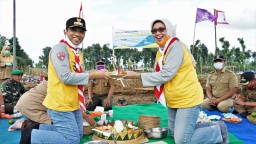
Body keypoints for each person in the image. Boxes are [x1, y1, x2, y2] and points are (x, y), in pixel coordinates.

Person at [124, 19, 228, 144]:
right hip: (174, 99)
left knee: (182, 140)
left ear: (169, 30)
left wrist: (138, 76)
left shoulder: (175, 46)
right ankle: (215, 126)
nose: (158, 33)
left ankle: (217, 131)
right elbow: (157, 73)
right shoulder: (161, 51)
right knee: (174, 134)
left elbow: (166, 74)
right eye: (154, 30)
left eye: (161, 29)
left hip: (187, 98)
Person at [19, 17, 109, 144]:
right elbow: (65, 77)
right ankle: (31, 135)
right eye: (73, 30)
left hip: (72, 103)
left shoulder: (76, 53)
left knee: (79, 133)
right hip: (60, 104)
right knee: (72, 140)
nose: (78, 34)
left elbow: (78, 76)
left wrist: (94, 77)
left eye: (81, 31)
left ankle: (34, 127)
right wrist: (93, 74)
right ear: (65, 31)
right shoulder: (60, 49)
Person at [8, 79, 96, 131]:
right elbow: (68, 104)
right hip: (30, 105)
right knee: (55, 125)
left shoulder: (61, 81)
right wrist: (86, 117)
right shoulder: (59, 83)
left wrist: (84, 113)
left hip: (34, 103)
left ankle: (28, 122)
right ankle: (22, 125)